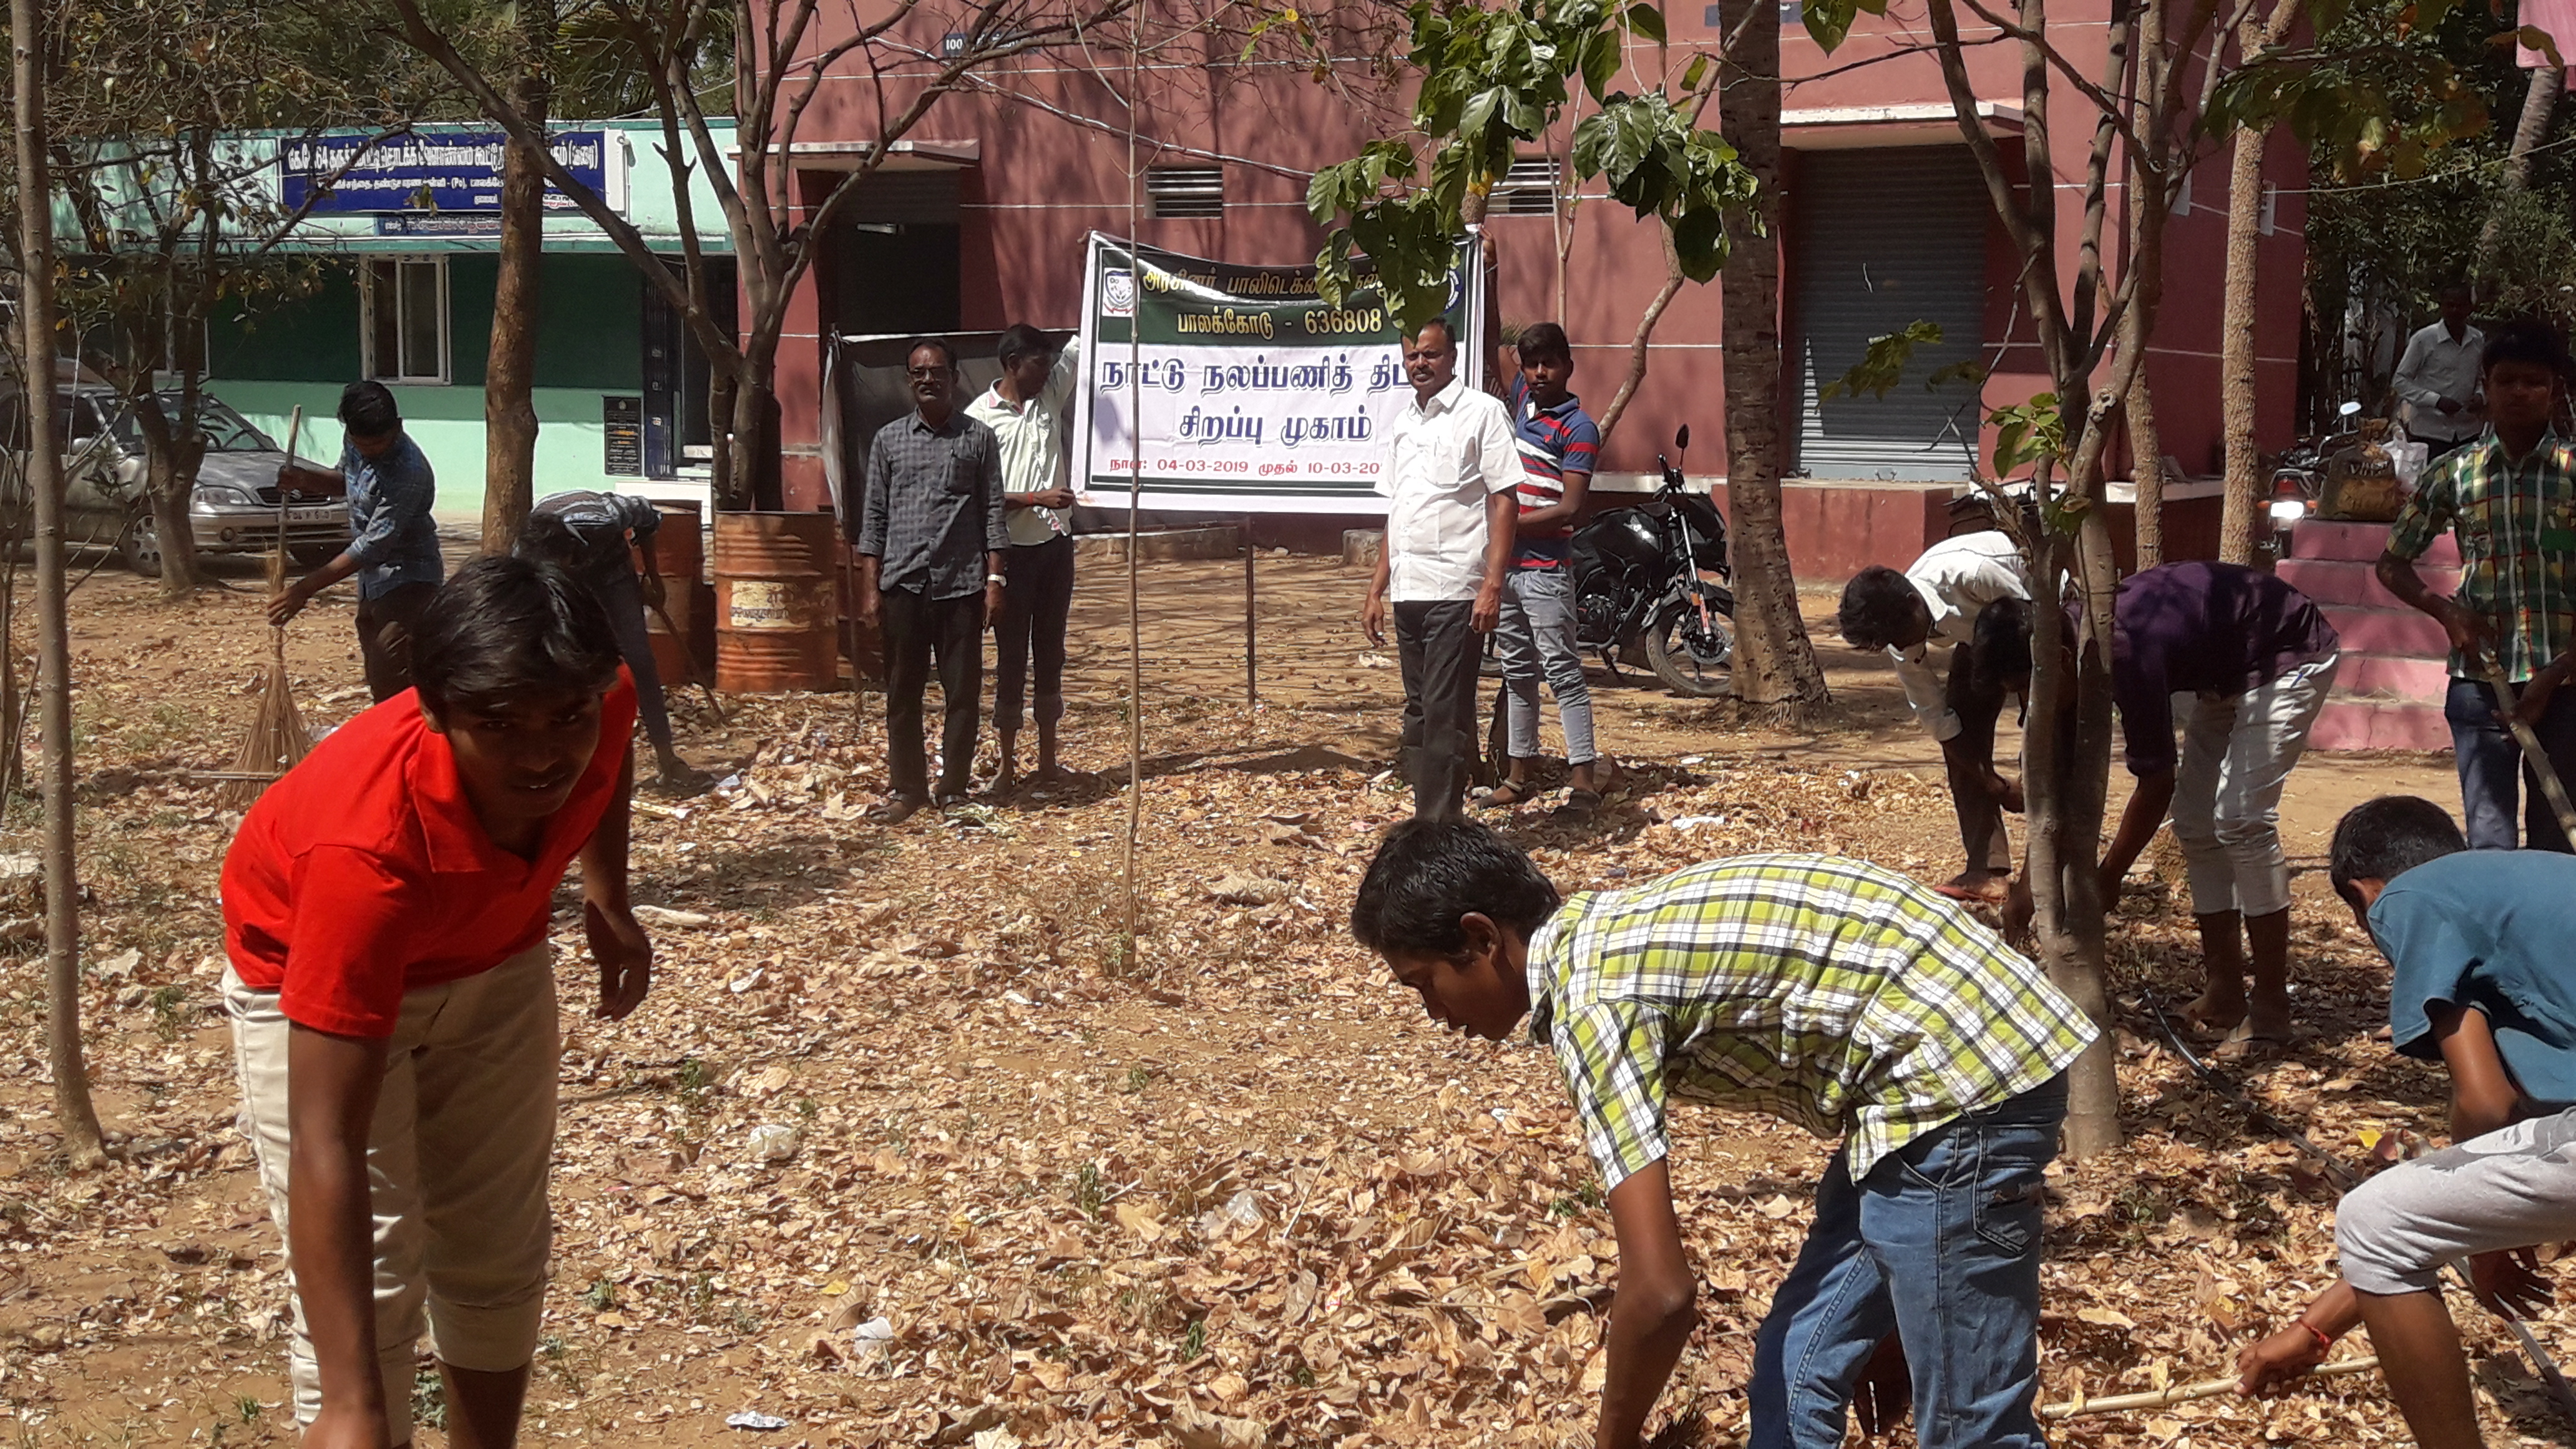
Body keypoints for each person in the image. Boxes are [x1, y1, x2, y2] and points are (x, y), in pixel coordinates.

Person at [1350, 819, 2096, 1449]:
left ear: (1481, 939)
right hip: (1919, 1084)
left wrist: (1614, 1440)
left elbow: (1662, 1291)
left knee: (1971, 1428)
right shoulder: (1601, 940)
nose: (1435, 1015)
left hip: (1963, 1080)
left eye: (1424, 984)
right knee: (1795, 1366)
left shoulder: (1594, 1002)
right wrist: (1900, 1308)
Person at [220, 556, 651, 1449]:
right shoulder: (364, 856)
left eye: (564, 719)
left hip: (495, 955)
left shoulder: (596, 695)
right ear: (433, 710)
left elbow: (609, 756)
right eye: (498, 726)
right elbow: (326, 1139)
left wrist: (606, 895)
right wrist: (350, 1407)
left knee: (496, 1244)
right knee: (373, 1280)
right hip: (309, 968)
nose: (542, 754)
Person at [2236, 796, 2575, 1449]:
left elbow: (2485, 1102)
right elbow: (2526, 1130)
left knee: (2373, 1217)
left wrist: (2485, 1242)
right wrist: (2316, 1328)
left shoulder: (2409, 898)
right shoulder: (2531, 886)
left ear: (2363, 894)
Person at [1983, 562, 2339, 1049]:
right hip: (2228, 670)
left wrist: (2111, 875)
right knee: (2195, 825)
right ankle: (2224, 994)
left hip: (2285, 651)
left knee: (2241, 820)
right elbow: (2059, 792)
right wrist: (2030, 887)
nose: (2028, 707)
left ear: (2059, 661)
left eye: (2025, 691)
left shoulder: (2123, 650)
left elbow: (2156, 783)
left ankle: (2272, 1008)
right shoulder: (2067, 652)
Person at [2379, 319, 2576, 852]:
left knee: (2556, 841)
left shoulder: (2571, 471)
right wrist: (2447, 613)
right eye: (2506, 380)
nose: (2520, 392)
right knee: (2490, 840)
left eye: (2534, 382)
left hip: (2565, 688)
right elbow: (2392, 564)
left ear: (2555, 389)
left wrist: (2558, 671)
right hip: (2480, 684)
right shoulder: (2454, 473)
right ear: (2485, 386)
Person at [1359, 318, 1518, 820]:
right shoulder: (1404, 423)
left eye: (1430, 354)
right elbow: (1399, 509)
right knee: (1419, 711)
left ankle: (1438, 827)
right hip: (1409, 590)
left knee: (1445, 708)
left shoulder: (1482, 413)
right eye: (1412, 356)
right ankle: (1427, 815)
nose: (1420, 364)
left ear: (1452, 358)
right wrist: (1376, 590)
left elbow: (1506, 500)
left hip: (1457, 589)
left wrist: (1492, 585)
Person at [854, 338, 1007, 823]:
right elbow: (873, 519)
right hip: (903, 585)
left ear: (954, 378)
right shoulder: (888, 440)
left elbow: (994, 513)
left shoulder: (978, 439)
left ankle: (953, 789)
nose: (928, 380)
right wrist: (870, 588)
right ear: (909, 380)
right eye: (919, 372)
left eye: (937, 372)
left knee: (962, 694)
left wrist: (995, 580)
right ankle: (908, 790)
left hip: (961, 586)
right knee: (903, 694)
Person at [1835, 529, 2030, 901]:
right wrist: (1992, 782)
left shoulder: (1974, 574)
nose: (1899, 647)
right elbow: (1937, 717)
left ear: (1914, 603)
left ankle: (2058, 868)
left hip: (2034, 623)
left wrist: (2031, 767)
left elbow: (2041, 627)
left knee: (2050, 734)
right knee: (1961, 739)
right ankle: (1987, 869)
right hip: (1979, 638)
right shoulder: (1899, 628)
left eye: (1899, 636)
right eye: (1888, 644)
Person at [1480, 321, 1609, 811]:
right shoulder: (1522, 405)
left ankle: (1583, 781)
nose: (1538, 373)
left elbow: (1570, 507)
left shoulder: (1579, 428)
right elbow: (1495, 346)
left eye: (1549, 364)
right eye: (1531, 364)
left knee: (1563, 672)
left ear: (1568, 367)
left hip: (1546, 571)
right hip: (1506, 571)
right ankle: (1518, 777)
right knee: (1517, 673)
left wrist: (1507, 526)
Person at [515, 490, 708, 793]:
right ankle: (582, 762)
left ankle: (667, 758)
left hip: (614, 575)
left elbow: (648, 517)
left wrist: (652, 576)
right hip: (566, 584)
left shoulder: (603, 519)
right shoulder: (525, 555)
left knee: (639, 660)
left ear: (572, 548)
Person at [270, 381, 444, 702]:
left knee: (393, 675)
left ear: (398, 427)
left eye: (378, 443)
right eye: (361, 444)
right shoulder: (354, 441)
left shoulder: (409, 473)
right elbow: (346, 482)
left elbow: (374, 545)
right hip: (371, 583)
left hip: (408, 581)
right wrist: (306, 480)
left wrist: (305, 588)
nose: (369, 451)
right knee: (378, 677)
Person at [964, 323, 1083, 790]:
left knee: (1051, 652)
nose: (1047, 373)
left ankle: (1049, 761)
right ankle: (1007, 765)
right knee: (1011, 658)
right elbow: (979, 497)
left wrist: (1104, 285)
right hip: (1009, 556)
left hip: (1055, 549)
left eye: (1050, 365)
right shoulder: (979, 420)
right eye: (1038, 365)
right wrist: (1036, 498)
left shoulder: (1048, 397)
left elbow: (1081, 345)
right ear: (1013, 365)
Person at [2393, 283, 2486, 458]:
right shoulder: (2424, 339)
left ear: (2470, 308)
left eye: (2460, 305)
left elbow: (2482, 377)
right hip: (2430, 433)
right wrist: (2436, 401)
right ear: (2441, 307)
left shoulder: (2477, 339)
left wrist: (2481, 396)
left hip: (2468, 433)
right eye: (2450, 305)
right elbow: (2400, 381)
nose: (2455, 310)